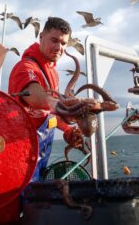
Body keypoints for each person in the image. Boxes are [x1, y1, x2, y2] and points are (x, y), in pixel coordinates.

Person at [8, 16, 84, 182]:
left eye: (63, 43)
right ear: (41, 37)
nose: (59, 47)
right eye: (54, 40)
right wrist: (66, 107)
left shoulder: (53, 74)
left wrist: (68, 130)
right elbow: (35, 97)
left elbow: (48, 113)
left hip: (40, 157)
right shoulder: (26, 67)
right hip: (18, 158)